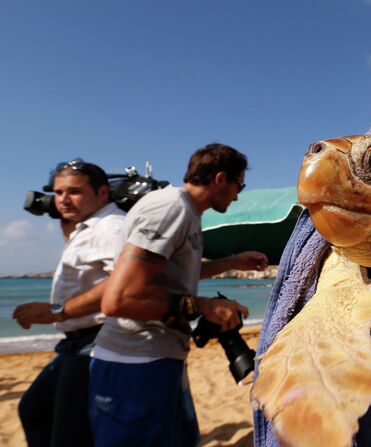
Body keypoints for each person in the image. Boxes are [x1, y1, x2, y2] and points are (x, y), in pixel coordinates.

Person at [88, 143, 269, 447]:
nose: (238, 195)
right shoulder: (171, 208)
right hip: (134, 363)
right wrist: (205, 306)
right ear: (221, 178)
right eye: (240, 185)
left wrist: (234, 262)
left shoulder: (186, 211)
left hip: (158, 357)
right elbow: (119, 298)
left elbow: (175, 271)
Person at [13, 160, 126, 447]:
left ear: (102, 193)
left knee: (70, 435)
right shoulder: (85, 228)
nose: (62, 199)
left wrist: (54, 312)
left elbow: (124, 284)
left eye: (73, 191)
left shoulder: (111, 227)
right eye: (58, 192)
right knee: (34, 409)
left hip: (97, 343)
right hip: (75, 344)